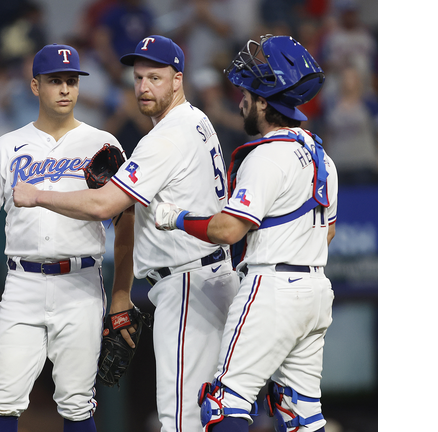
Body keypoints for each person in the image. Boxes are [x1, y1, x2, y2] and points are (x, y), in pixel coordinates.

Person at [12, 35, 239, 432]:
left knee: (180, 418)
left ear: (177, 79)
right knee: (213, 411)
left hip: (188, 284)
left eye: (155, 77)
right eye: (138, 78)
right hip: (211, 277)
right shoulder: (197, 119)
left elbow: (103, 207)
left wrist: (36, 195)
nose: (144, 87)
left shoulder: (164, 137)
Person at [0, 43, 135, 432]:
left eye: (71, 81)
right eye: (54, 81)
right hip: (22, 283)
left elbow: (127, 224)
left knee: (78, 404)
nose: (65, 89)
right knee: (3, 401)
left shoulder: (104, 144)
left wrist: (120, 293)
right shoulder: (7, 146)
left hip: (81, 281)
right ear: (35, 86)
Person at [152, 35, 338, 432]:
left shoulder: (269, 155)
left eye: (248, 96)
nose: (242, 102)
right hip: (317, 292)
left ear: (264, 103)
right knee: (302, 413)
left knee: (224, 404)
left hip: (273, 287)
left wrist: (176, 218)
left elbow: (227, 228)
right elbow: (329, 232)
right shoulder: (321, 154)